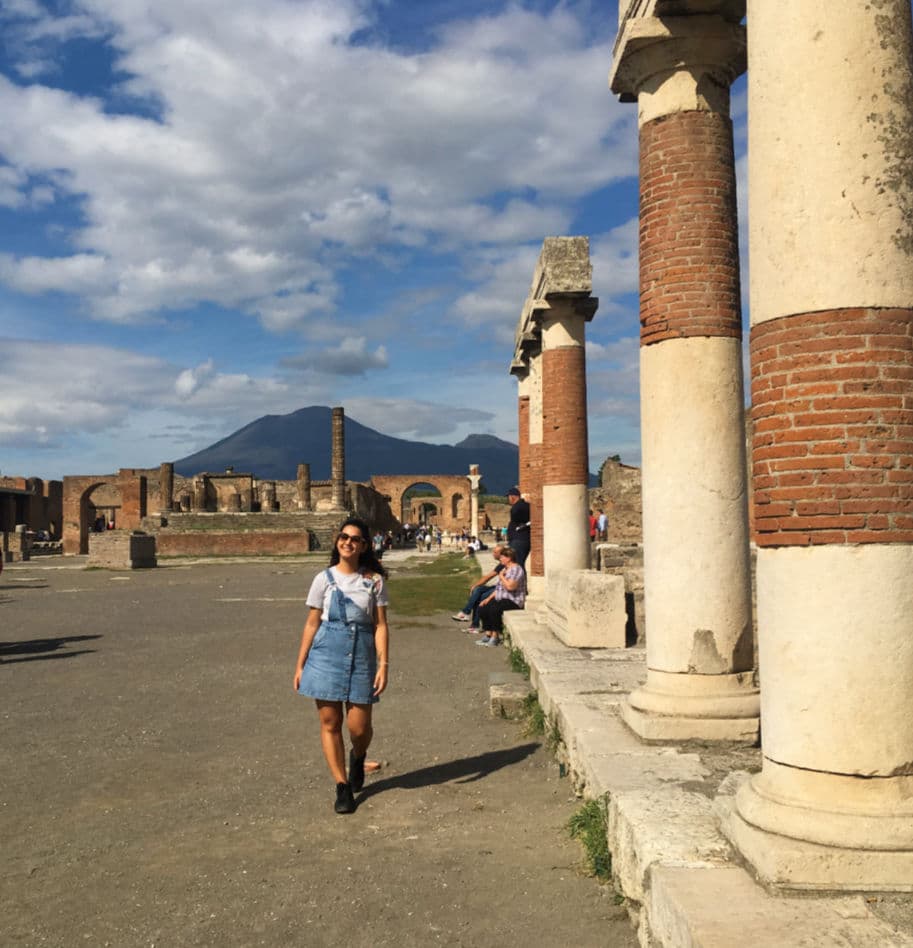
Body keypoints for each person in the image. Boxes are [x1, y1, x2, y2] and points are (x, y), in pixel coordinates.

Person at [293, 517, 389, 815]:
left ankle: (358, 757)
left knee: (359, 727)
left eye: (355, 539)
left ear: (364, 545)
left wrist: (384, 664)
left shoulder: (373, 580)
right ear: (338, 542)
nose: (348, 542)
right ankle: (342, 785)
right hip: (326, 655)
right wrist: (300, 664)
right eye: (344, 537)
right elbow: (311, 624)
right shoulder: (323, 579)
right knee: (330, 723)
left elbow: (381, 625)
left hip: (361, 654)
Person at [476, 546, 526, 647]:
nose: (500, 559)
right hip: (502, 598)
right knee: (483, 607)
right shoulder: (505, 569)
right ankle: (488, 634)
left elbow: (510, 587)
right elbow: (499, 589)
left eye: (502, 557)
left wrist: (502, 577)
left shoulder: (516, 569)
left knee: (494, 608)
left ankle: (495, 637)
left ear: (509, 558)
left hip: (513, 600)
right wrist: (488, 598)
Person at [451, 545, 504, 631]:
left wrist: (476, 585)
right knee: (477, 590)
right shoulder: (501, 563)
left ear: (501, 554)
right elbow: (487, 577)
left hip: (502, 589)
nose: (492, 554)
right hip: (497, 586)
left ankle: (474, 624)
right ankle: (466, 613)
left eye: (495, 552)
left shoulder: (504, 563)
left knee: (480, 597)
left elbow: (488, 577)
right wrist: (475, 585)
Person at [506, 487, 530, 569]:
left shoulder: (518, 507)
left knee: (517, 564)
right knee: (518, 564)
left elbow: (519, 516)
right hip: (518, 539)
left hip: (519, 539)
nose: (508, 499)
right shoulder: (520, 506)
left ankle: (519, 581)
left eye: (508, 497)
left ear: (513, 497)